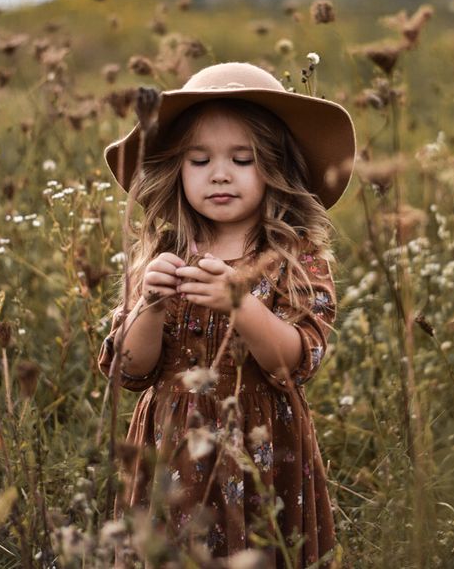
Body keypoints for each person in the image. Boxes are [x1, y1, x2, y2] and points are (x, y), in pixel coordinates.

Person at [98, 61, 356, 568]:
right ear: (176, 168)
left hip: (263, 447)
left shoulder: (293, 258)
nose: (219, 173)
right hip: (171, 449)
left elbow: (295, 362)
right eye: (199, 160)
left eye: (243, 159)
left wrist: (243, 304)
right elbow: (130, 370)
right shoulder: (164, 254)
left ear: (278, 168)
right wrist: (149, 306)